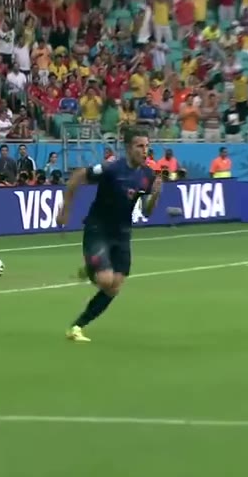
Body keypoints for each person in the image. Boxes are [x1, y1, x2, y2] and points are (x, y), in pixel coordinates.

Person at [56, 127, 162, 342]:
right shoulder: (111, 168)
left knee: (115, 286)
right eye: (140, 146)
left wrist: (156, 195)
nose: (144, 151)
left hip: (122, 233)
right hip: (98, 228)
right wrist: (65, 209)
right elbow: (78, 176)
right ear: (128, 147)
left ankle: (77, 326)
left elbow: (147, 212)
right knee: (105, 280)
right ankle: (91, 268)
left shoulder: (147, 176)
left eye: (147, 146)